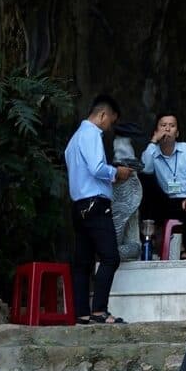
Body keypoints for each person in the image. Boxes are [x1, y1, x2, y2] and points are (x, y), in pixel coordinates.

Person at [64, 94, 134, 323]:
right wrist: (117, 173)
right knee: (110, 257)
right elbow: (96, 168)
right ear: (103, 115)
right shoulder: (93, 134)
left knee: (83, 262)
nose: (110, 126)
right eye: (111, 121)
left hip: (79, 205)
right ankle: (99, 310)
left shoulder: (74, 139)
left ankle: (82, 313)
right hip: (95, 204)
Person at [141, 110, 186, 257]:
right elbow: (145, 169)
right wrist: (153, 142)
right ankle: (150, 246)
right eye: (163, 125)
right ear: (156, 131)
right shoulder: (153, 152)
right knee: (147, 186)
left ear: (177, 133)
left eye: (172, 125)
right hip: (165, 201)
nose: (167, 129)